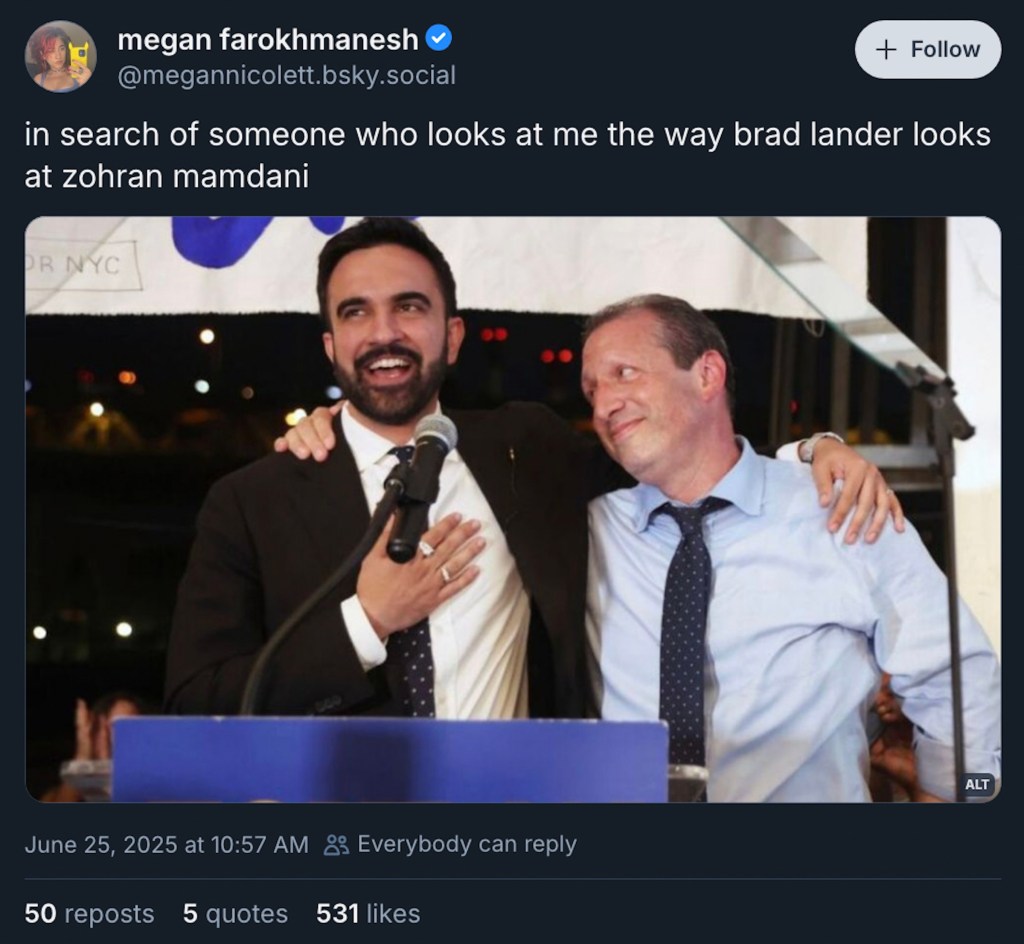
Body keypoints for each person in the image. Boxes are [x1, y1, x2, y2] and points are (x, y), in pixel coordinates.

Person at [168, 217, 896, 721]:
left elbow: (687, 457)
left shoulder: (529, 448)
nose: (383, 333)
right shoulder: (250, 501)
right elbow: (197, 701)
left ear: (452, 336)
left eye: (409, 307)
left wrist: (812, 451)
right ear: (329, 345)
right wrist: (367, 622)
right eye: (355, 313)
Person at [580, 294, 1000, 801]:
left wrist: (957, 802)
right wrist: (813, 444)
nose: (603, 405)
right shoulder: (592, 528)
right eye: (591, 390)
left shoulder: (838, 509)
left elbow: (955, 674)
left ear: (707, 374)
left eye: (624, 373)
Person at [39, 692, 146, 802]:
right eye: (116, 726)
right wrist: (83, 755)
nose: (126, 734)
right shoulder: (70, 789)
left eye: (132, 726)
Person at [28, 25, 92, 92]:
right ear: (42, 55)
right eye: (51, 50)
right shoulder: (38, 80)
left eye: (62, 48)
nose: (58, 56)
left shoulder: (81, 75)